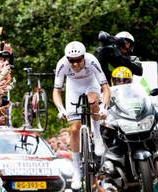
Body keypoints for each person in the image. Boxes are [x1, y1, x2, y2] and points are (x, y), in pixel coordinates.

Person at [53, 41, 110, 189]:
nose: (76, 64)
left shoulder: (92, 60)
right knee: (74, 129)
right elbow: (56, 91)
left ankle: (97, 135)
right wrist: (61, 109)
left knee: (93, 102)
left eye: (78, 60)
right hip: (73, 88)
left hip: (91, 84)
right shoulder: (62, 64)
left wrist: (104, 107)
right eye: (72, 61)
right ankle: (77, 171)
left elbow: (105, 88)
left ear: (84, 57)